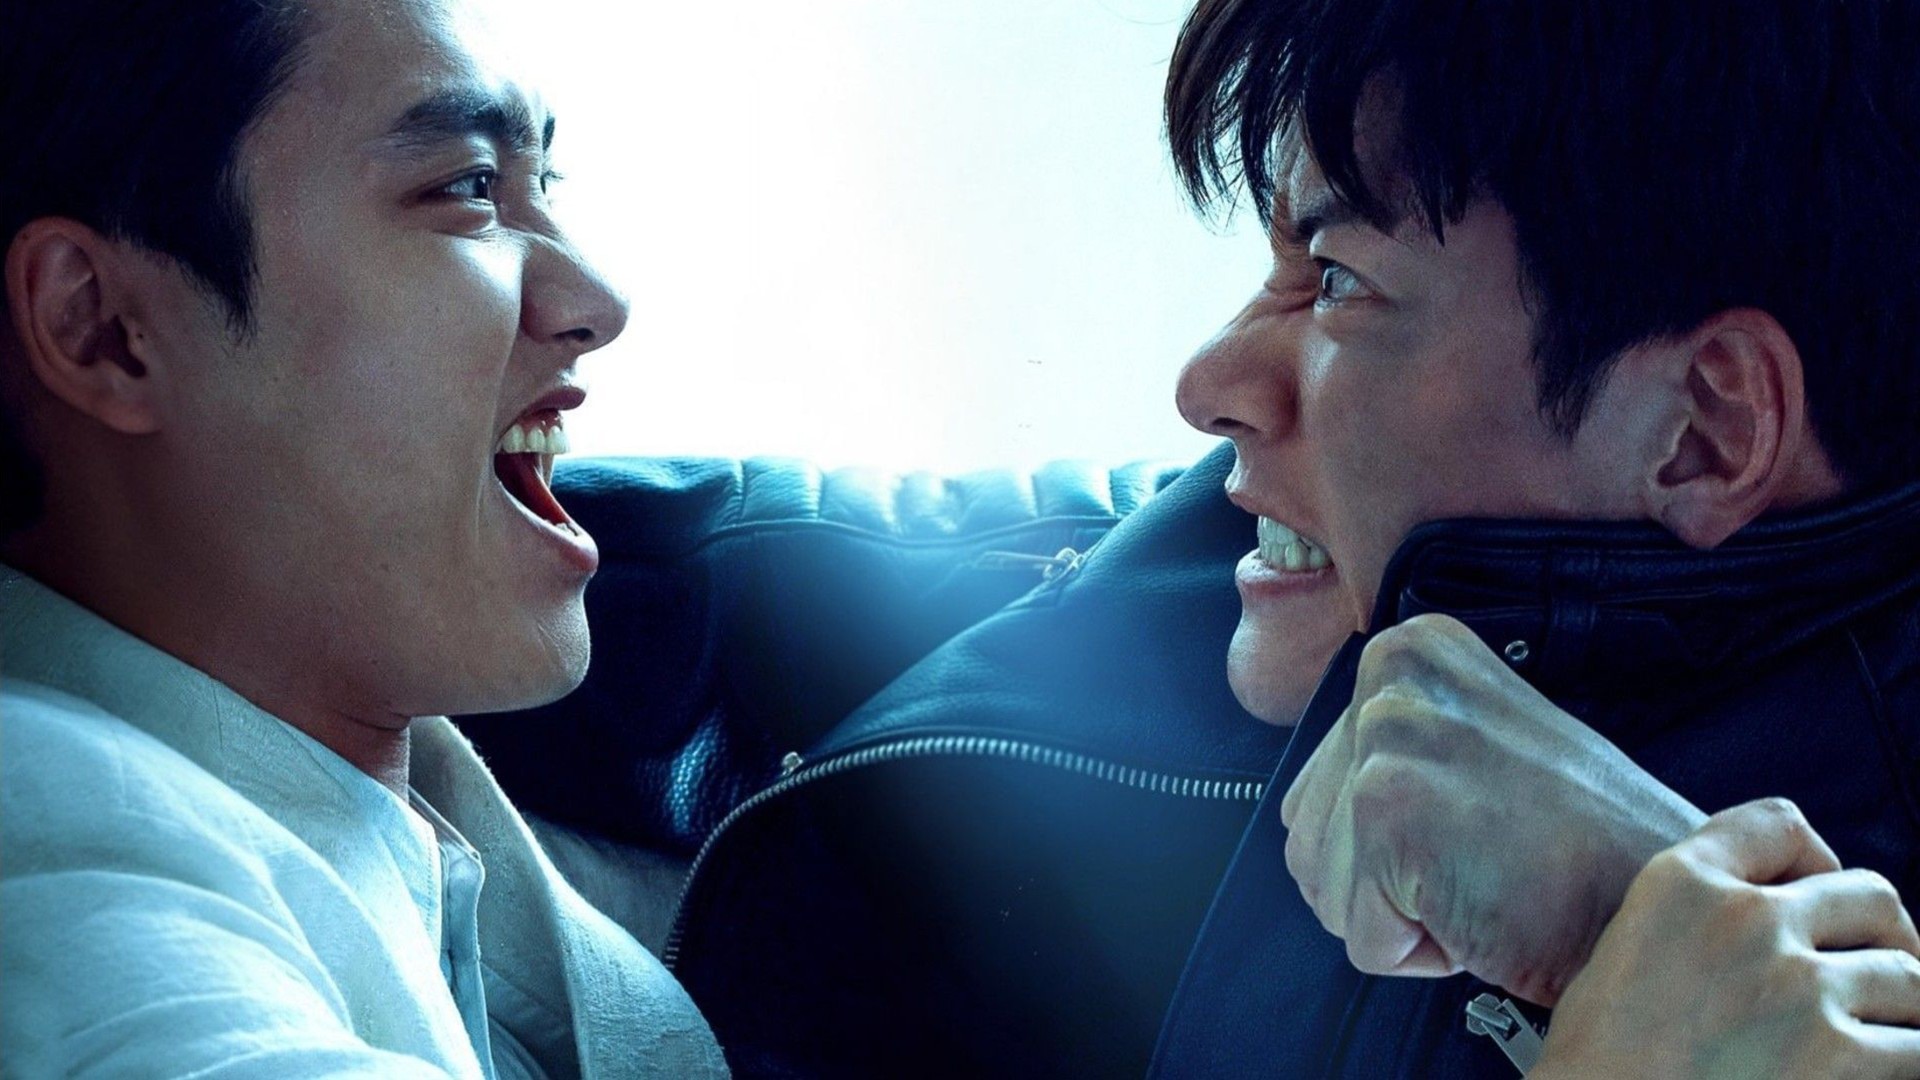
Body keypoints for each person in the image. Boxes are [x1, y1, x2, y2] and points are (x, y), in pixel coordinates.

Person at [663, 0, 1920, 1075]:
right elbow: (732, 551)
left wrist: (1640, 939)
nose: (1207, 385)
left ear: (1702, 432)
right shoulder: (1232, 564)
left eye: (1338, 283)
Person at [0, 0, 725, 1075]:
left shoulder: (444, 838)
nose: (597, 302)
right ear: (103, 328)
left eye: (546, 184)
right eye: (468, 188)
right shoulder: (52, 848)